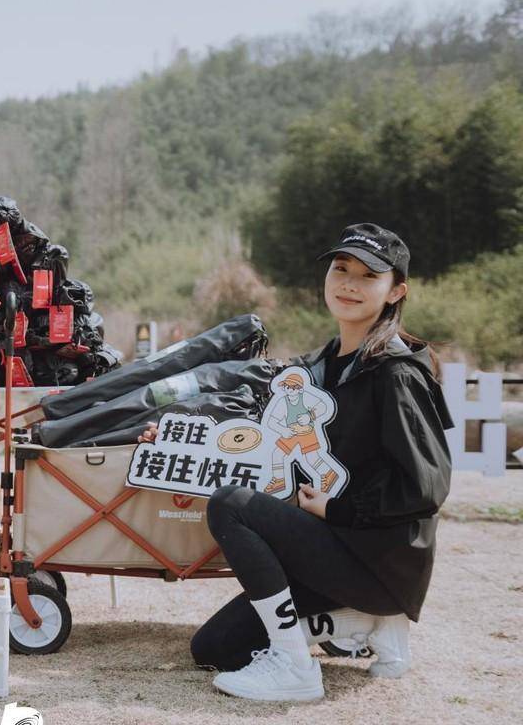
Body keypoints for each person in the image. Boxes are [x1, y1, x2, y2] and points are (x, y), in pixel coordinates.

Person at [139, 223, 453, 701]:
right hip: (335, 548)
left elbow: (427, 485)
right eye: (341, 269)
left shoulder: (396, 374)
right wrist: (178, 437)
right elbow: (255, 424)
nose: (349, 284)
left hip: (378, 561)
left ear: (396, 291)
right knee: (215, 649)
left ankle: (295, 666)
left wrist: (337, 508)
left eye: (369, 276)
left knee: (231, 505)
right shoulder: (322, 366)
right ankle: (366, 623)